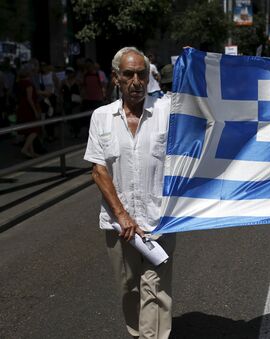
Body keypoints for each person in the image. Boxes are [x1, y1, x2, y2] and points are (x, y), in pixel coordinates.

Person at [84, 47, 175, 339]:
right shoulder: (101, 117)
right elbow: (99, 171)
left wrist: (194, 65)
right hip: (118, 225)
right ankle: (137, 334)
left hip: (159, 220)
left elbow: (203, 110)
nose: (136, 81)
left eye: (142, 74)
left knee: (156, 289)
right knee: (129, 288)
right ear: (115, 79)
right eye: (128, 74)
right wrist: (122, 216)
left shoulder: (166, 112)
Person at [15, 62, 42, 158]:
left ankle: (32, 152)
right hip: (28, 109)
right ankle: (25, 149)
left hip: (21, 108)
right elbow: (30, 98)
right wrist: (35, 110)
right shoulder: (28, 83)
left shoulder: (19, 83)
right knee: (35, 129)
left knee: (28, 130)